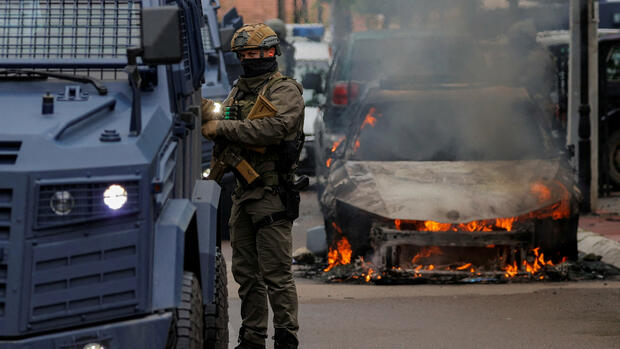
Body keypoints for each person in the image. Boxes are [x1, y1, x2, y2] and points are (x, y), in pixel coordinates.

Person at [201, 23, 304, 349]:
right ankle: (252, 338)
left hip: (271, 194)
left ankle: (286, 338)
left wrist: (223, 127)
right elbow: (225, 114)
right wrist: (206, 112)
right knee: (246, 274)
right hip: (244, 193)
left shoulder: (283, 90)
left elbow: (274, 128)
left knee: (276, 274)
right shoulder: (240, 90)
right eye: (243, 54)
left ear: (271, 52)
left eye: (254, 53)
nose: (249, 59)